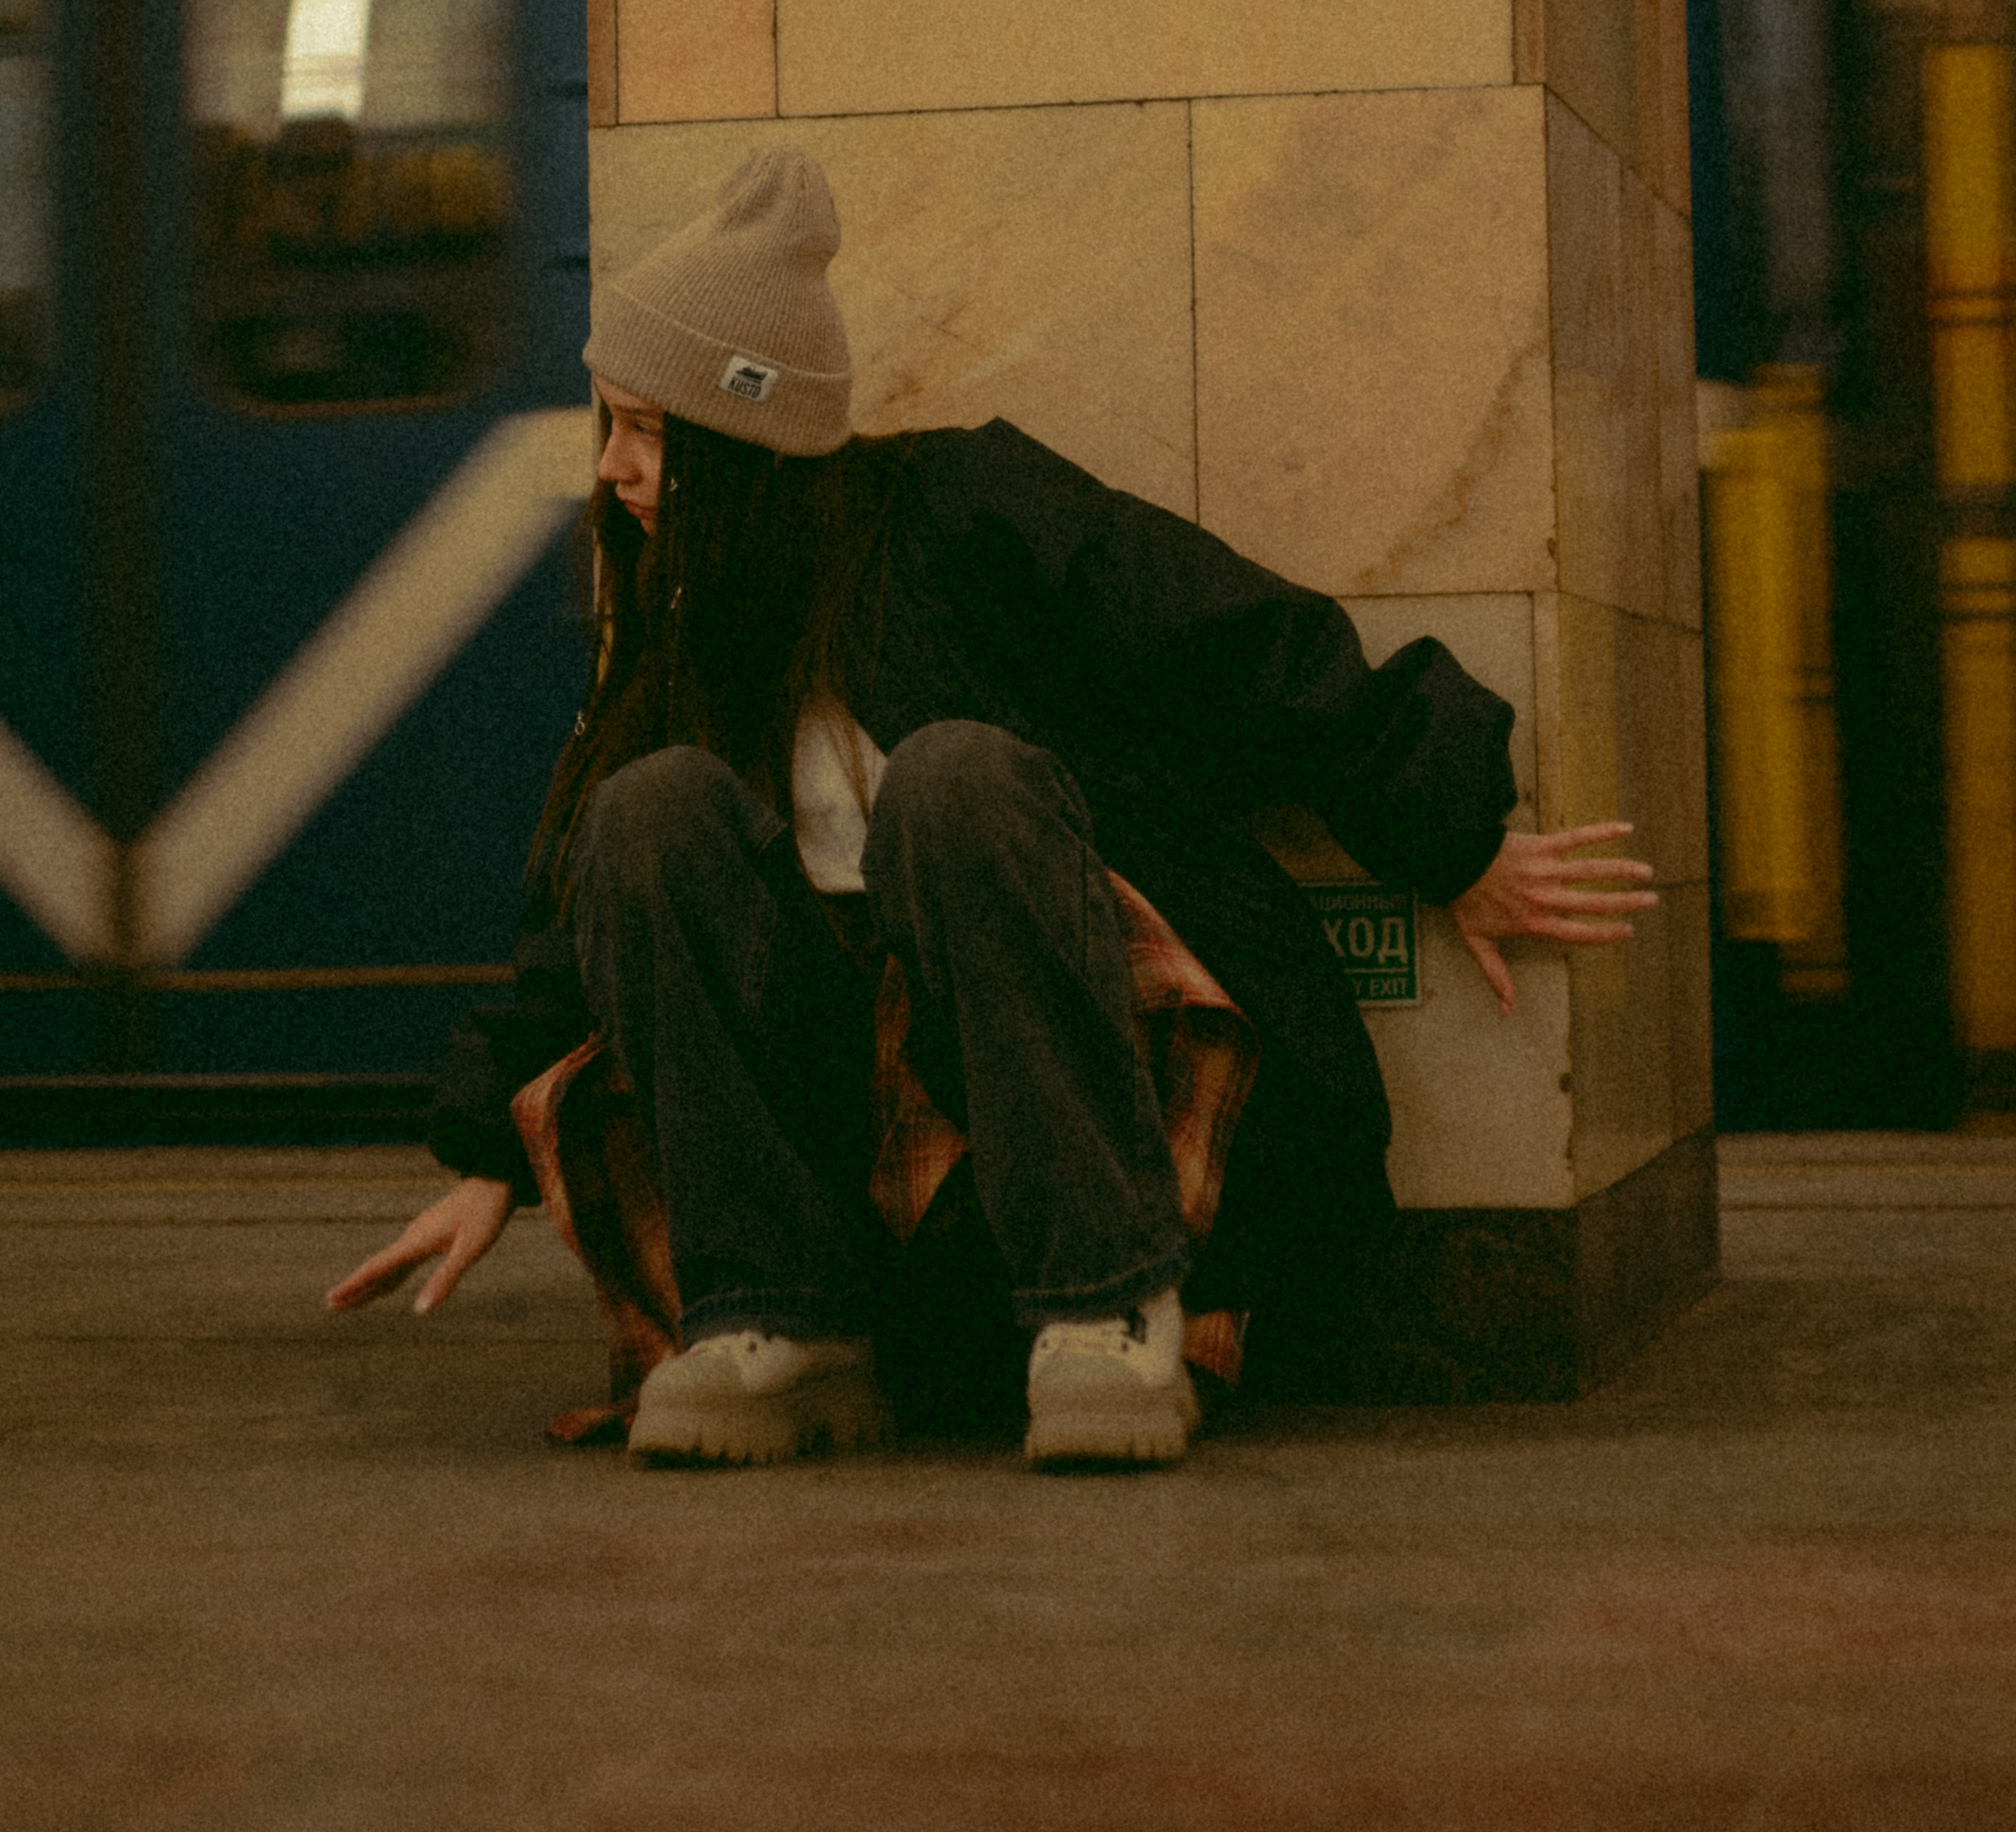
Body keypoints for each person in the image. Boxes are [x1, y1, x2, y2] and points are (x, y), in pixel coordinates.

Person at [329, 149, 1655, 1470]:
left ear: (747, 436)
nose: (612, 467)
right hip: (835, 1120)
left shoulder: (965, 510)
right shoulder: (682, 634)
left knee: (958, 776)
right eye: (608, 424)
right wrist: (485, 1154)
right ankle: (783, 1331)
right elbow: (589, 909)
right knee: (646, 808)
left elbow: (1242, 650)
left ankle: (1107, 1306)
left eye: (651, 430)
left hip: (1044, 1059)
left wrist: (1451, 839)